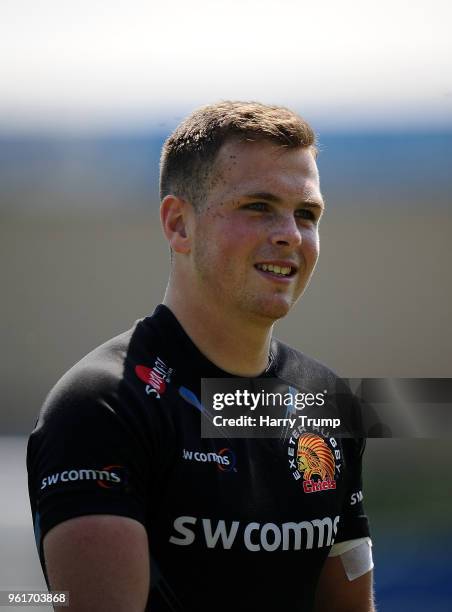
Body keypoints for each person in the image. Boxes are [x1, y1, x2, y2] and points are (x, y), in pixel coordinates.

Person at [27, 101, 375, 611]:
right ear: (178, 225)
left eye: (307, 214)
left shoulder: (328, 401)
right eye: (258, 206)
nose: (290, 235)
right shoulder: (102, 405)